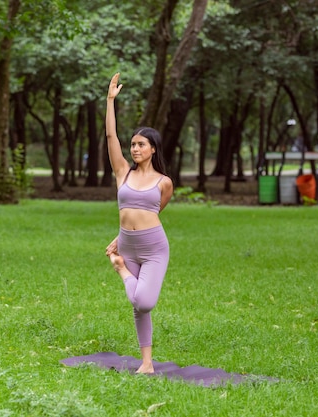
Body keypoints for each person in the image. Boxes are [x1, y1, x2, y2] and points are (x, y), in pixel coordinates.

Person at [104, 73, 173, 375]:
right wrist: (110, 102)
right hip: (127, 243)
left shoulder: (164, 182)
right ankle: (147, 363)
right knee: (138, 307)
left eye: (141, 145)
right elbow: (110, 138)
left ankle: (120, 270)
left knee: (144, 302)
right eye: (132, 144)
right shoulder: (123, 172)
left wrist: (122, 264)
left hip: (154, 247)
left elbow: (155, 213)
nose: (134, 149)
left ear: (153, 149)